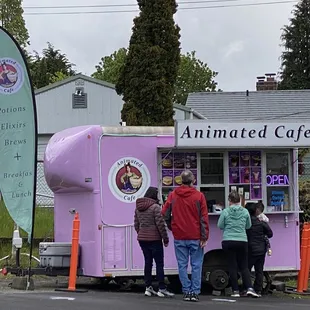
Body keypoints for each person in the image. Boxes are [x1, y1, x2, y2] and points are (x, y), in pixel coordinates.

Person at [162, 170, 209, 302]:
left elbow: (164, 214)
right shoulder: (199, 196)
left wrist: (173, 227)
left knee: (182, 265)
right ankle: (194, 292)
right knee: (196, 264)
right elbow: (203, 218)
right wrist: (204, 237)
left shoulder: (173, 195)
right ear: (193, 180)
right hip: (195, 235)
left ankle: (186, 290)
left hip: (179, 236)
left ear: (181, 180)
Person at [134, 186, 174, 298]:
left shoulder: (138, 208)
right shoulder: (155, 207)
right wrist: (165, 239)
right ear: (154, 195)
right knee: (159, 264)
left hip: (142, 239)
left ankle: (148, 287)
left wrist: (141, 233)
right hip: (155, 239)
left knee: (148, 262)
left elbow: (136, 224)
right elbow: (160, 225)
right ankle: (162, 288)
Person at [217, 191, 259, 298]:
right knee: (244, 266)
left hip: (228, 241)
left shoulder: (225, 212)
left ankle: (235, 291)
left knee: (232, 266)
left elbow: (220, 225)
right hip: (242, 240)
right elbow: (248, 226)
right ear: (239, 200)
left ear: (229, 200)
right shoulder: (245, 212)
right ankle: (249, 288)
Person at [246, 203, 273, 296]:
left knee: (247, 269)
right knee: (259, 270)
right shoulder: (262, 223)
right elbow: (270, 234)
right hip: (261, 250)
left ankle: (248, 288)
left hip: (250, 250)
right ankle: (258, 289)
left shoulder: (247, 224)